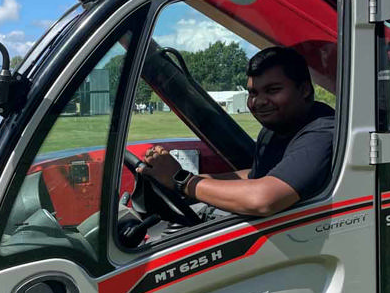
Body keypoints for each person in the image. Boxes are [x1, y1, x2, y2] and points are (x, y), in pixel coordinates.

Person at [137, 46, 334, 217]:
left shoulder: (322, 132)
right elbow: (256, 177)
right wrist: (180, 175)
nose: (259, 102)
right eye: (253, 93)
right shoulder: (274, 130)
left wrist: (183, 181)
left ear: (305, 90)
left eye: (273, 90)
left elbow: (262, 199)